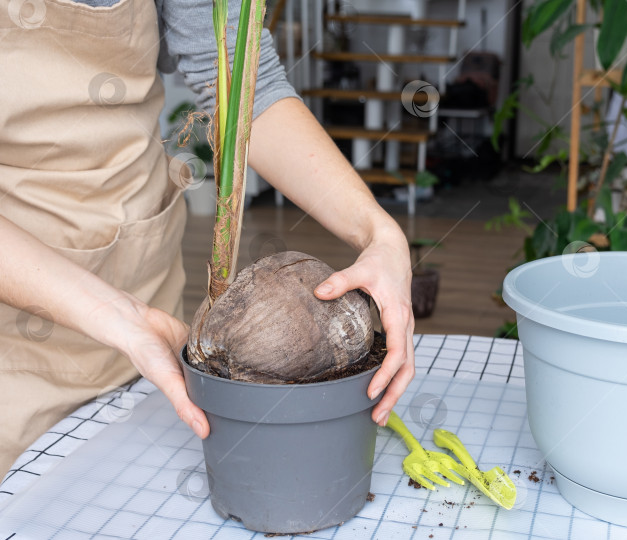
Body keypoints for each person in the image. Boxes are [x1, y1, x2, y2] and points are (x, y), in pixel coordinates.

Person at [0, 0, 415, 476]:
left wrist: (379, 231)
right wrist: (113, 313)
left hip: (145, 299)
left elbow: (242, 79)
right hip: (17, 345)